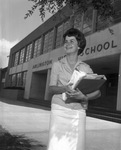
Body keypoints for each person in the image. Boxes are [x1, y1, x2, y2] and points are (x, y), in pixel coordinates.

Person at [47, 28, 101, 150]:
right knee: (56, 145)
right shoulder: (57, 65)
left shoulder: (86, 68)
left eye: (71, 41)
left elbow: (98, 92)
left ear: (79, 46)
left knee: (77, 146)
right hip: (59, 110)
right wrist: (64, 88)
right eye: (66, 42)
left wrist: (84, 97)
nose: (67, 44)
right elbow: (51, 88)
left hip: (78, 112)